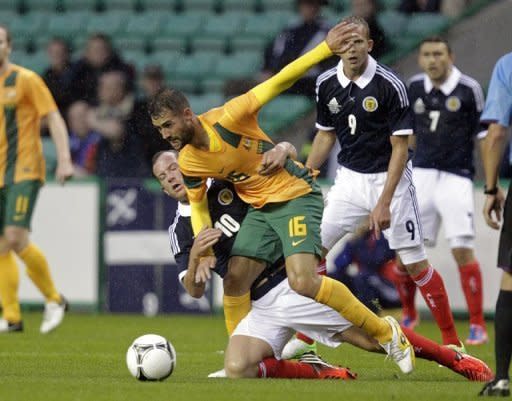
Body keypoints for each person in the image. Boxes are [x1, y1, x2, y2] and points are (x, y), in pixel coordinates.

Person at [149, 21, 416, 374]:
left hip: (294, 195)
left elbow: (280, 80)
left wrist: (324, 50)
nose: (165, 135)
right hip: (261, 209)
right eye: (159, 130)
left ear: (187, 115)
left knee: (302, 281)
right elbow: (197, 204)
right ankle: (240, 356)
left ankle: (387, 331)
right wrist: (207, 244)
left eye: (168, 126)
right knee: (234, 280)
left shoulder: (230, 117)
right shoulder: (188, 159)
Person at [153, 149, 493, 382]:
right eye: (162, 176)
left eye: (173, 167)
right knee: (238, 366)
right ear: (163, 189)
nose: (170, 176)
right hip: (261, 306)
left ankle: (455, 360)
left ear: (186, 165)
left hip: (289, 280)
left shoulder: (227, 184)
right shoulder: (180, 232)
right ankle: (320, 373)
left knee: (373, 340)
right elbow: (194, 290)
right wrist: (197, 254)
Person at [306, 17, 461, 348]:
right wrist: (307, 174)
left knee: (415, 263)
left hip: (388, 179)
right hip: (348, 179)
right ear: (336, 47)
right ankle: (310, 335)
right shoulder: (325, 83)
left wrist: (384, 201)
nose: (351, 49)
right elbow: (325, 135)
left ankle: (451, 341)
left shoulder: (390, 84)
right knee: (311, 253)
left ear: (369, 45)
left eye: (358, 42)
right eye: (345, 43)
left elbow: (400, 148)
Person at [400, 37, 487, 344]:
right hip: (420, 175)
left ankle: (477, 323)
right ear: (421, 59)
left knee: (462, 250)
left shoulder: (468, 89)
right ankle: (409, 312)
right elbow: (404, 135)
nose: (432, 60)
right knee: (405, 252)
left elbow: (484, 135)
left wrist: (490, 185)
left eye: (438, 54)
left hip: (457, 176)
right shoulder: (413, 87)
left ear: (450, 56)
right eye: (426, 55)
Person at [0, 25, 73, 333]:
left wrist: (65, 159)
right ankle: (12, 316)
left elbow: (53, 116)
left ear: (9, 47)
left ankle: (54, 299)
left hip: (24, 169)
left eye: (0, 42)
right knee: (2, 246)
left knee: (15, 237)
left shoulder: (26, 80)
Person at [478, 52, 512, 397]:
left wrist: (490, 188)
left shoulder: (508, 65)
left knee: (511, 279)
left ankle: (501, 378)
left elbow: (497, 131)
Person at [260, 0, 336, 98]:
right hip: (286, 79)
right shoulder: (289, 31)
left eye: (313, 5)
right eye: (306, 5)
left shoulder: (327, 31)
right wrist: (269, 69)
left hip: (309, 82)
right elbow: (274, 54)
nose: (309, 9)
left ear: (319, 7)